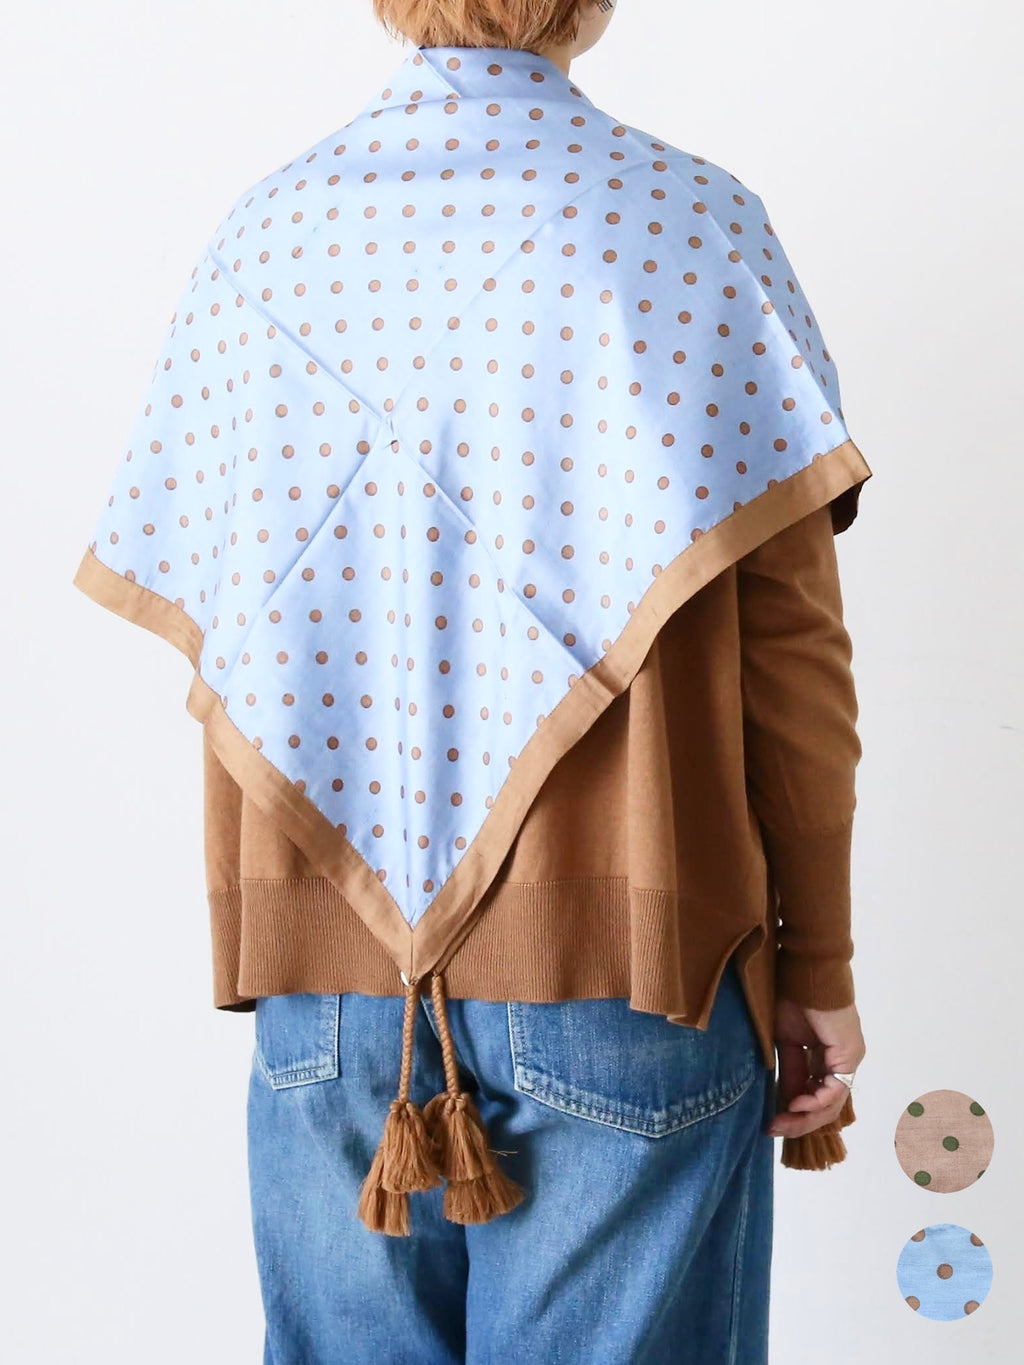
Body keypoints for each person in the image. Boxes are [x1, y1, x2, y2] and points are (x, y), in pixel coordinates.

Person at [72, 0, 871, 1359]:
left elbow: (226, 613)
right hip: (637, 962)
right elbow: (793, 653)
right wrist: (822, 960)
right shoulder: (691, 223)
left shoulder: (268, 236)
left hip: (328, 992)